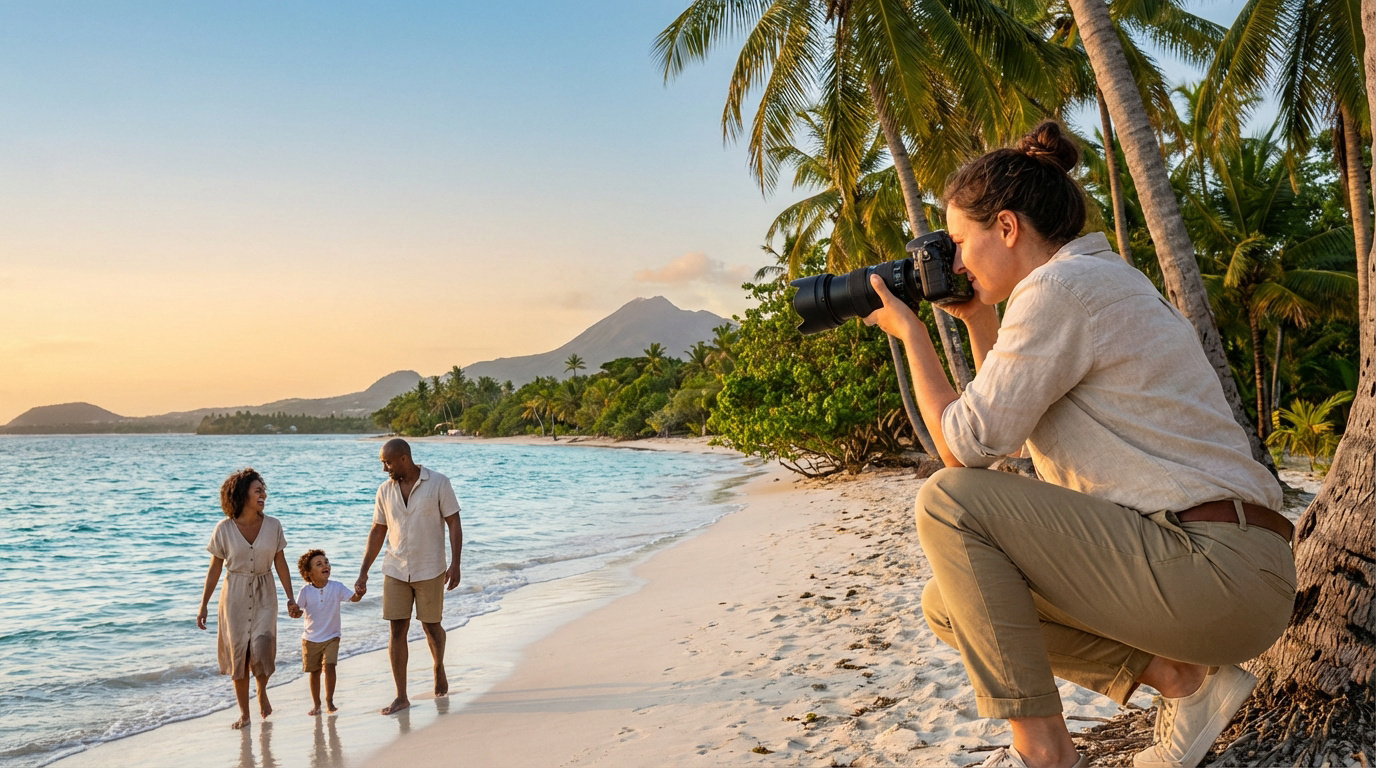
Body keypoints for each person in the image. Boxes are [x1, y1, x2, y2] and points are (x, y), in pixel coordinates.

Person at [861, 121, 1294, 768]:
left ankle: (1046, 752)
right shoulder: (1094, 278)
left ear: (1006, 228)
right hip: (1231, 569)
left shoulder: (1057, 291)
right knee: (953, 603)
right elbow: (1001, 432)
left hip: (1212, 571)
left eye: (957, 243)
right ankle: (1185, 681)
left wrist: (913, 339)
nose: (952, 264)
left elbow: (965, 449)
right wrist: (980, 320)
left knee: (948, 500)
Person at [355, 438, 463, 715]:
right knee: (396, 630)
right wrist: (363, 571)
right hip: (395, 568)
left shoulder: (439, 482)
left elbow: (453, 522)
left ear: (404, 458)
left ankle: (438, 665)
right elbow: (378, 531)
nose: (384, 468)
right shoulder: (384, 490)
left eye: (387, 462)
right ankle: (401, 696)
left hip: (430, 567)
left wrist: (456, 563)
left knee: (431, 626)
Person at [196, 468, 301, 729]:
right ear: (243, 495)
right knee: (239, 656)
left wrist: (290, 598)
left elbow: (281, 563)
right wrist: (204, 605)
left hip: (266, 591)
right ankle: (244, 713)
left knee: (263, 647)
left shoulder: (274, 525)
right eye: (258, 491)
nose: (263, 495)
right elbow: (214, 569)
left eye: (263, 490)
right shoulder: (224, 529)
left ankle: (262, 690)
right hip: (234, 595)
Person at [293, 548, 363, 715]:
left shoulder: (336, 587)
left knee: (330, 666)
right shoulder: (305, 591)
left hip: (332, 636)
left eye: (326, 562)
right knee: (314, 672)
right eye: (319, 564)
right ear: (308, 573)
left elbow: (352, 598)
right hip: (310, 639)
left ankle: (329, 701)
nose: (325, 565)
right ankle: (317, 705)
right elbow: (298, 610)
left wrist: (359, 594)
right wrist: (294, 612)